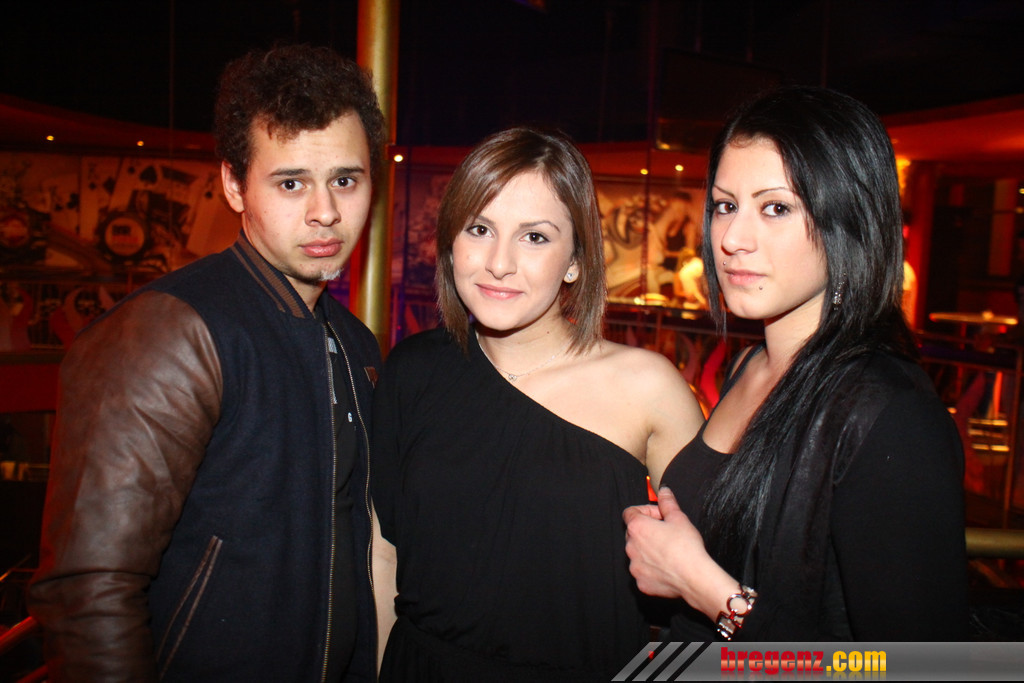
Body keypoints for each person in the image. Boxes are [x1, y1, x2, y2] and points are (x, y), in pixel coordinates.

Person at [28, 44, 388, 681]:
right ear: (233, 184)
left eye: (345, 180)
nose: (325, 211)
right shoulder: (168, 330)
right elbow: (89, 589)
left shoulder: (355, 343)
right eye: (291, 182)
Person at [623, 86, 969, 641]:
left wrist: (707, 589)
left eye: (776, 208)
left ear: (847, 221)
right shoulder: (750, 367)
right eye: (725, 206)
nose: (732, 239)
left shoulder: (891, 414)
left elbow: (921, 668)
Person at [371, 127, 703, 680]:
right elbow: (384, 555)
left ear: (575, 260)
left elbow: (706, 578)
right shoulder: (413, 371)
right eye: (480, 229)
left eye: (534, 237)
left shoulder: (648, 387)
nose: (499, 263)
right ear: (451, 242)